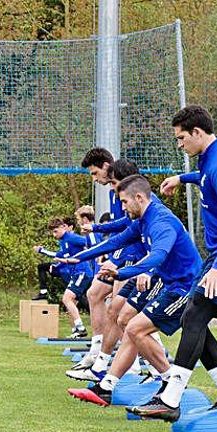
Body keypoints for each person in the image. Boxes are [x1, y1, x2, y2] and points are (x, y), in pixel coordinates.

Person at [129, 105, 217, 421]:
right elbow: (205, 177)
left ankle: (170, 399)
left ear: (197, 133)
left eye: (182, 138)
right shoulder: (211, 158)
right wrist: (181, 178)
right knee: (192, 315)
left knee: (195, 312)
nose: (180, 144)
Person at [61, 175, 201, 405]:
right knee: (131, 326)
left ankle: (170, 381)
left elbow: (159, 254)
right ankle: (107, 386)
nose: (122, 207)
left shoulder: (161, 221)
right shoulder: (142, 220)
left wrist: (123, 273)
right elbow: (113, 242)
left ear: (138, 197)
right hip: (169, 283)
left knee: (135, 328)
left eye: (125, 202)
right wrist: (78, 258)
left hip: (186, 288)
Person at [71, 158, 148, 369]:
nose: (95, 179)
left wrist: (131, 264)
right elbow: (125, 229)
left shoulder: (138, 198)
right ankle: (100, 355)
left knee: (121, 313)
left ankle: (127, 366)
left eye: (96, 173)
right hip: (124, 255)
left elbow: (139, 236)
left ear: (107, 167)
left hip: (137, 259)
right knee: (98, 296)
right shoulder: (120, 193)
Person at [34, 217, 93, 338]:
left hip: (82, 272)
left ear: (63, 227)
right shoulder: (63, 242)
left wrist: (90, 252)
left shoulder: (72, 237)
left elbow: (90, 243)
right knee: (70, 304)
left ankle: (81, 328)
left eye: (55, 231)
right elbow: (59, 256)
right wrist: (52, 261)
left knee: (66, 299)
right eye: (52, 232)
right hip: (75, 273)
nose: (54, 234)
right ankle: (76, 331)